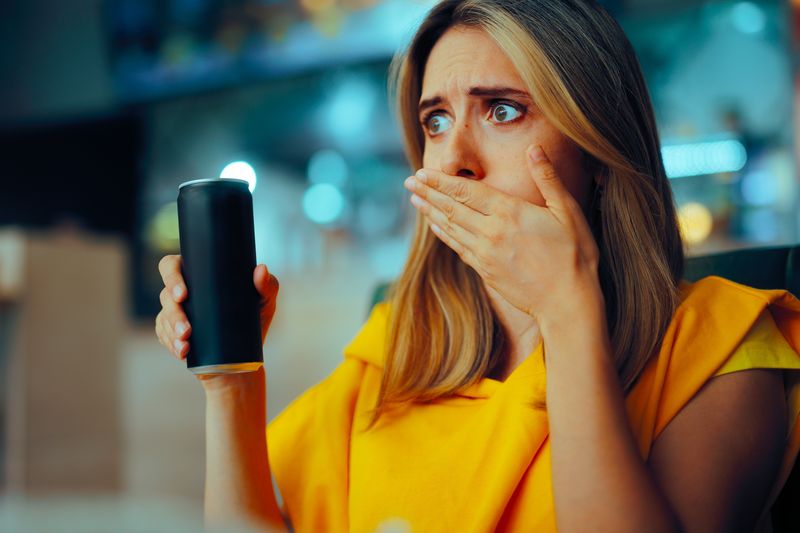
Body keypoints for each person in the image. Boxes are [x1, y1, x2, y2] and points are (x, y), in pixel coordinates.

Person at [154, 1, 800, 531]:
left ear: (600, 148)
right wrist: (232, 380)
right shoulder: (397, 344)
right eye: (435, 120)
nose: (455, 159)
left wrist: (568, 312)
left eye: (504, 110)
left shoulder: (723, 342)